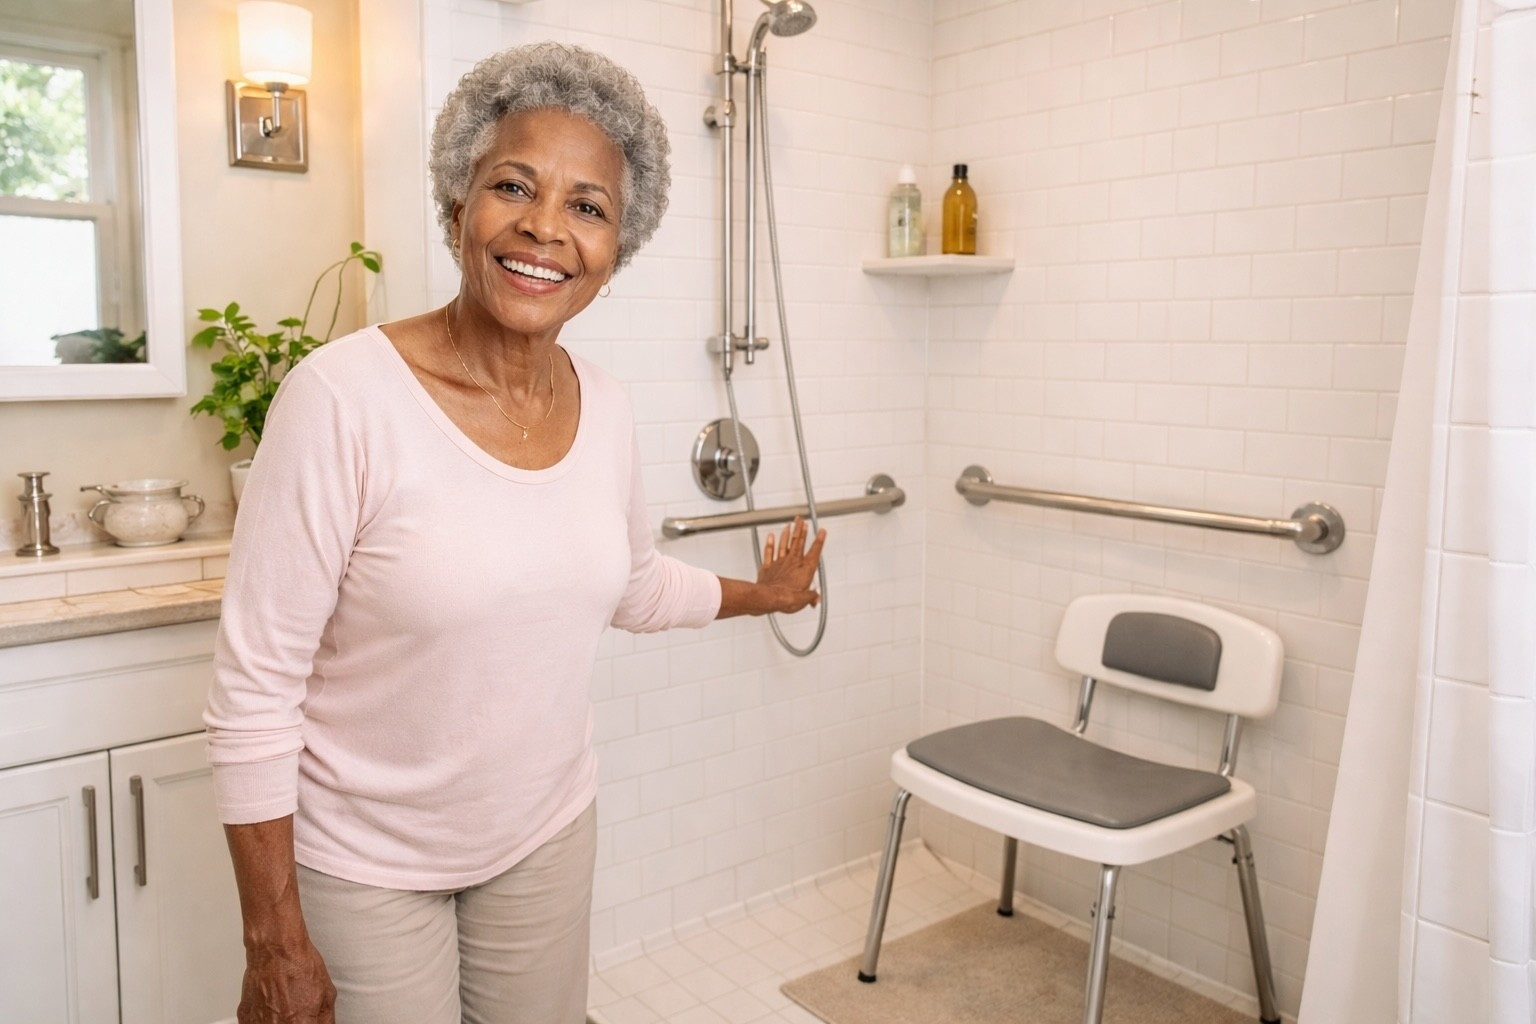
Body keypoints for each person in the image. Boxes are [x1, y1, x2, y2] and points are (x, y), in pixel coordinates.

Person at [204, 41, 827, 1024]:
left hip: (545, 835)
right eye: (513, 186)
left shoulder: (607, 404)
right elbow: (254, 692)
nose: (545, 227)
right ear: (459, 202)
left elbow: (634, 585)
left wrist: (766, 595)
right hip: (366, 863)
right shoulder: (340, 399)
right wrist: (272, 940)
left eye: (588, 206)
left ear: (614, 253)